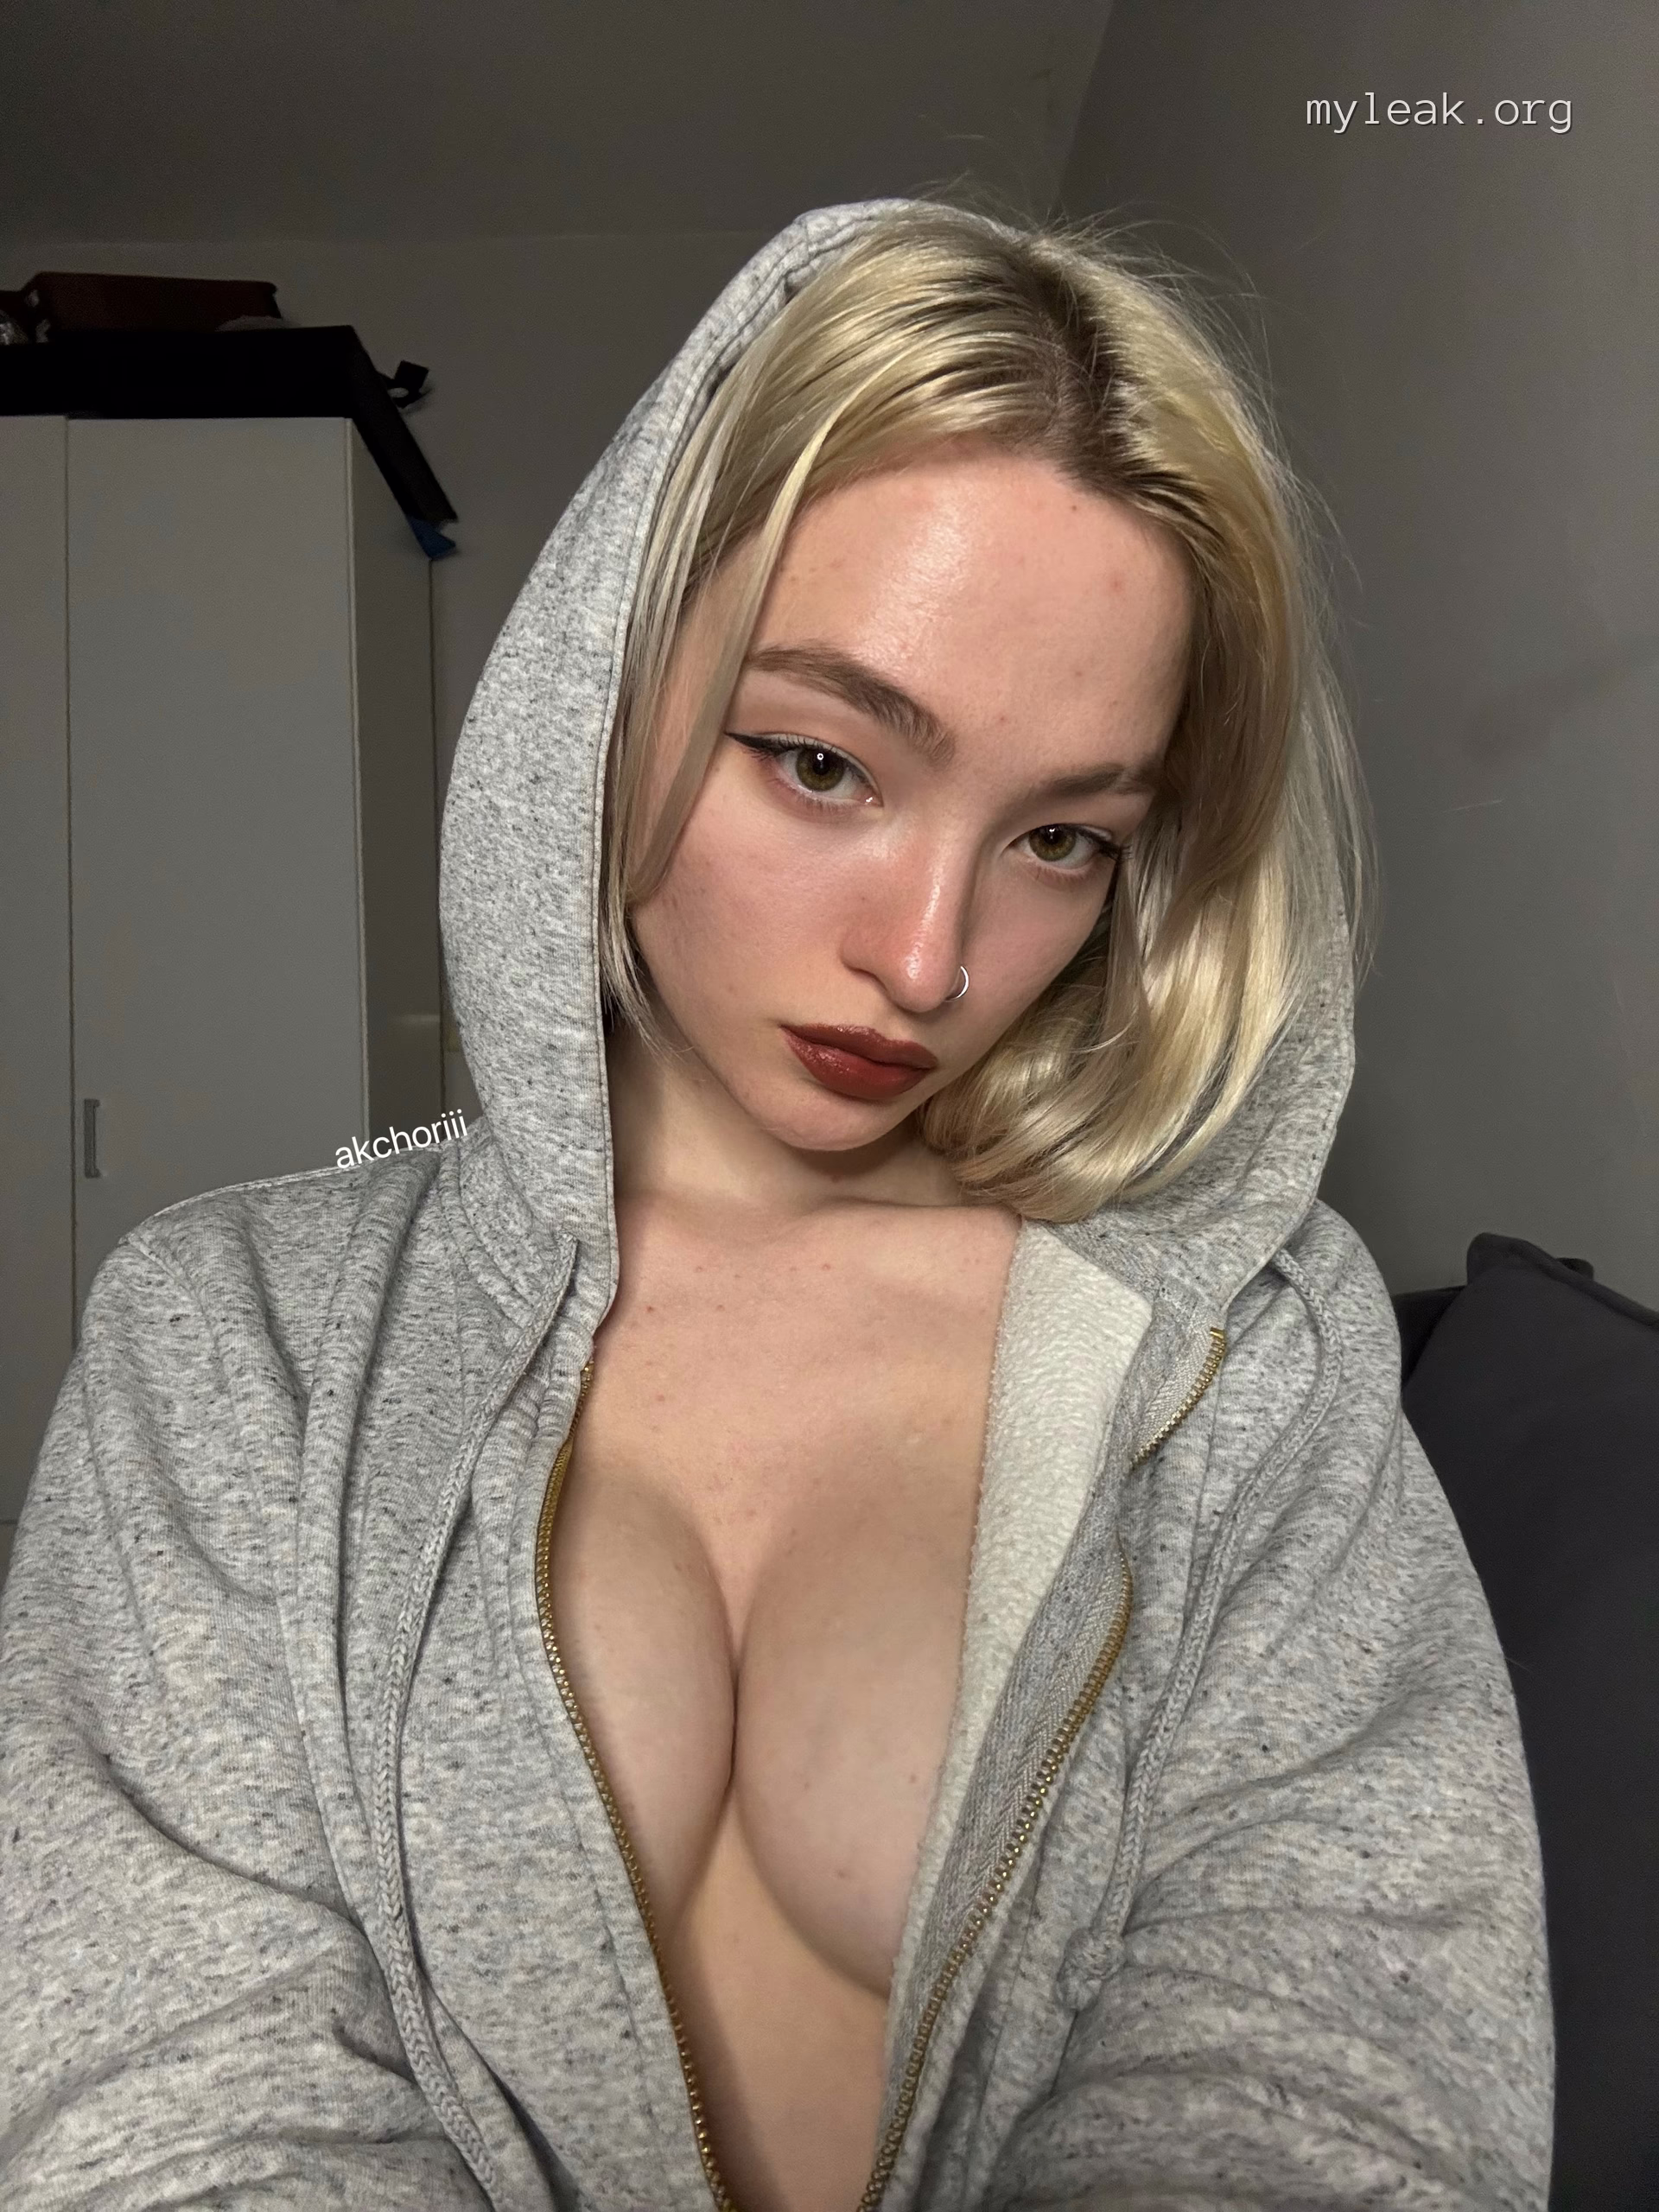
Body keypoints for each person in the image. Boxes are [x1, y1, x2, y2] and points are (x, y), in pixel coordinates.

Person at [0, 200, 1552, 2211]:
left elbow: (1332, 2102)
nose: (928, 957)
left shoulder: (1249, 1354)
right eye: (823, 761)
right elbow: (171, 2121)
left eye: (1064, 838)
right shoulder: (234, 1340)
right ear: (609, 676)